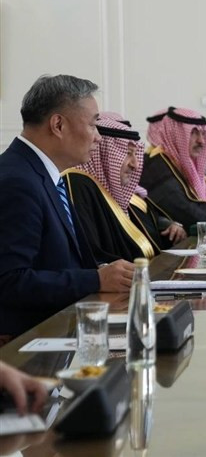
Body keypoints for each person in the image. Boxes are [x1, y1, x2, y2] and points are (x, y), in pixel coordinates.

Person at [0, 75, 133, 339]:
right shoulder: (18, 181)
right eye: (93, 125)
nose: (98, 138)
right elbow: (9, 281)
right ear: (58, 125)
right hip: (27, 343)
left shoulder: (41, 174)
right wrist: (96, 279)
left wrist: (103, 271)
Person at [63, 117, 185, 262]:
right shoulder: (78, 185)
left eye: (135, 154)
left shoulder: (109, 192)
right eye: (127, 153)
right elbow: (94, 255)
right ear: (104, 153)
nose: (135, 165)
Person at [139, 107, 206, 227]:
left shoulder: (176, 163)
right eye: (193, 133)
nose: (201, 141)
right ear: (174, 134)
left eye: (202, 133)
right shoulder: (157, 167)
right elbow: (193, 216)